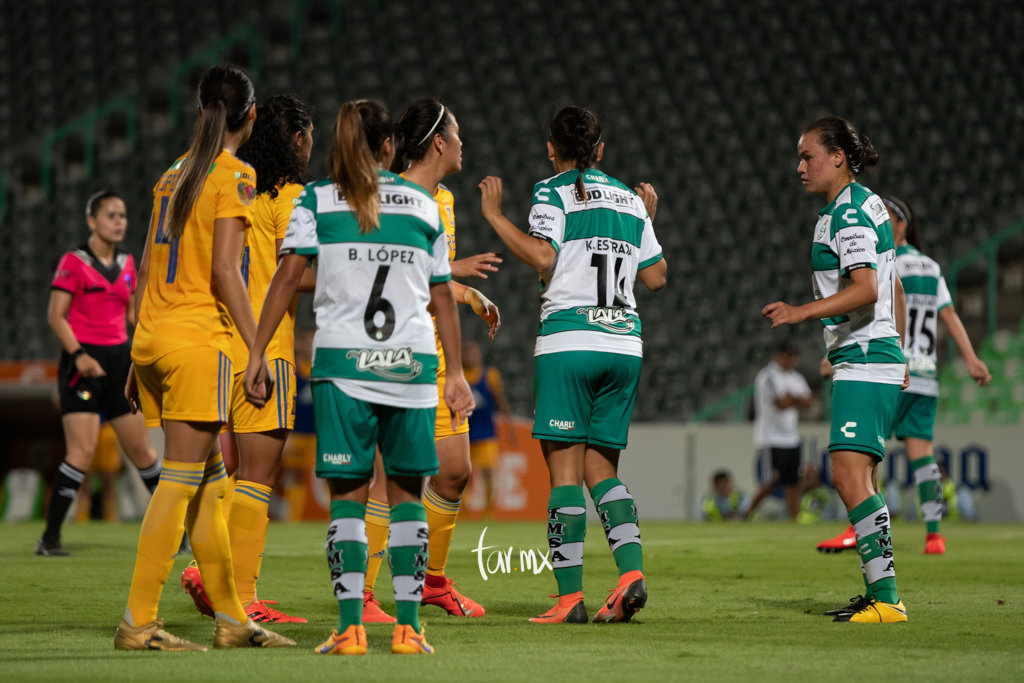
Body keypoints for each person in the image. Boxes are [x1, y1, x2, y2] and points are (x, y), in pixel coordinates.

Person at [243, 98, 474, 655]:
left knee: (348, 498)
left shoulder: (316, 199)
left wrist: (257, 352)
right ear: (388, 147)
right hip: (412, 365)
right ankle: (409, 628)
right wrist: (458, 374)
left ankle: (349, 628)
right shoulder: (423, 203)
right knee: (408, 498)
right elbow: (442, 296)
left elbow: (284, 279)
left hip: (343, 365)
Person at [115, 65, 294, 651]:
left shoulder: (171, 175)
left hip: (153, 339)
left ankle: (231, 618)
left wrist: (133, 360)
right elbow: (224, 272)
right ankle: (138, 621)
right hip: (196, 343)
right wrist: (258, 350)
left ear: (200, 111)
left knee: (211, 486)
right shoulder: (235, 176)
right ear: (251, 115)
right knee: (180, 483)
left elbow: (144, 269)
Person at [479, 106, 667, 624]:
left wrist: (495, 217)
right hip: (624, 346)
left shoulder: (552, 191)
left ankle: (568, 599)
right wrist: (644, 221)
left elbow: (542, 258)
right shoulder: (631, 200)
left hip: (570, 342)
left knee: (564, 473)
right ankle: (630, 572)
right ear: (601, 150)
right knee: (601, 470)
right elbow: (657, 278)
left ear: (550, 148)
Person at [358, 98, 502, 623]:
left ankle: (433, 582)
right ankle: (366, 595)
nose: (464, 142)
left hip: (436, 354)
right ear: (438, 141)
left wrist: (466, 294)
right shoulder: (387, 197)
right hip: (394, 352)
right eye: (458, 133)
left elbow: (432, 280)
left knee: (456, 471)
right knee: (390, 478)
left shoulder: (442, 200)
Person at [762, 115, 909, 624]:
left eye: (808, 156)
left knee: (847, 475)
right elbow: (893, 289)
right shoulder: (867, 203)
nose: (799, 166)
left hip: (868, 357)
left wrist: (801, 312)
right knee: (861, 476)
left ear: (839, 158)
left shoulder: (846, 213)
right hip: (870, 353)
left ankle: (888, 599)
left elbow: (869, 287)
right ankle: (878, 593)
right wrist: (891, 344)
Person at [180, 94, 315, 624]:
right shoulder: (292, 196)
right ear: (297, 138)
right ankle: (234, 587)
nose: (312, 146)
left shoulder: (234, 190)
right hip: (266, 346)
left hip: (220, 345)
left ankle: (216, 572)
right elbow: (293, 273)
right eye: (309, 136)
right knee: (259, 474)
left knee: (227, 472)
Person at [816, 195, 991, 554]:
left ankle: (860, 528)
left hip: (890, 365)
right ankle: (934, 535)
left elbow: (877, 303)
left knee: (868, 452)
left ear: (900, 224)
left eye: (888, 218)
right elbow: (949, 315)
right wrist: (971, 358)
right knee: (923, 456)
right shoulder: (932, 266)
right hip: (927, 374)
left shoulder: (892, 262)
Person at [39, 190, 162, 557]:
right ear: (92, 221)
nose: (119, 221)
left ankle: (177, 534)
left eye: (123, 215)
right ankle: (50, 539)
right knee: (82, 452)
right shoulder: (74, 262)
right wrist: (77, 355)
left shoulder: (128, 262)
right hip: (83, 367)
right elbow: (55, 316)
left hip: (119, 365)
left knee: (142, 452)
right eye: (111, 215)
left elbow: (131, 318)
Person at [743, 340, 812, 521]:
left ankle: (793, 519)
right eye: (788, 356)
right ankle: (746, 514)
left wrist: (793, 399)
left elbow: (809, 402)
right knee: (769, 482)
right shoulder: (768, 376)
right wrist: (797, 400)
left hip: (791, 438)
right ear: (778, 356)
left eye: (794, 356)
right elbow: (781, 404)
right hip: (770, 437)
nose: (792, 360)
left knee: (793, 483)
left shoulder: (796, 377)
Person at [463, 339, 514, 518]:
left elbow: (500, 400)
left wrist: (510, 427)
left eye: (474, 352)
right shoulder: (459, 376)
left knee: (488, 473)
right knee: (464, 475)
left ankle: (488, 511)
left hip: (486, 432)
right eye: (468, 352)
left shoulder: (490, 375)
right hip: (465, 433)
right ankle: (464, 512)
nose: (471, 356)